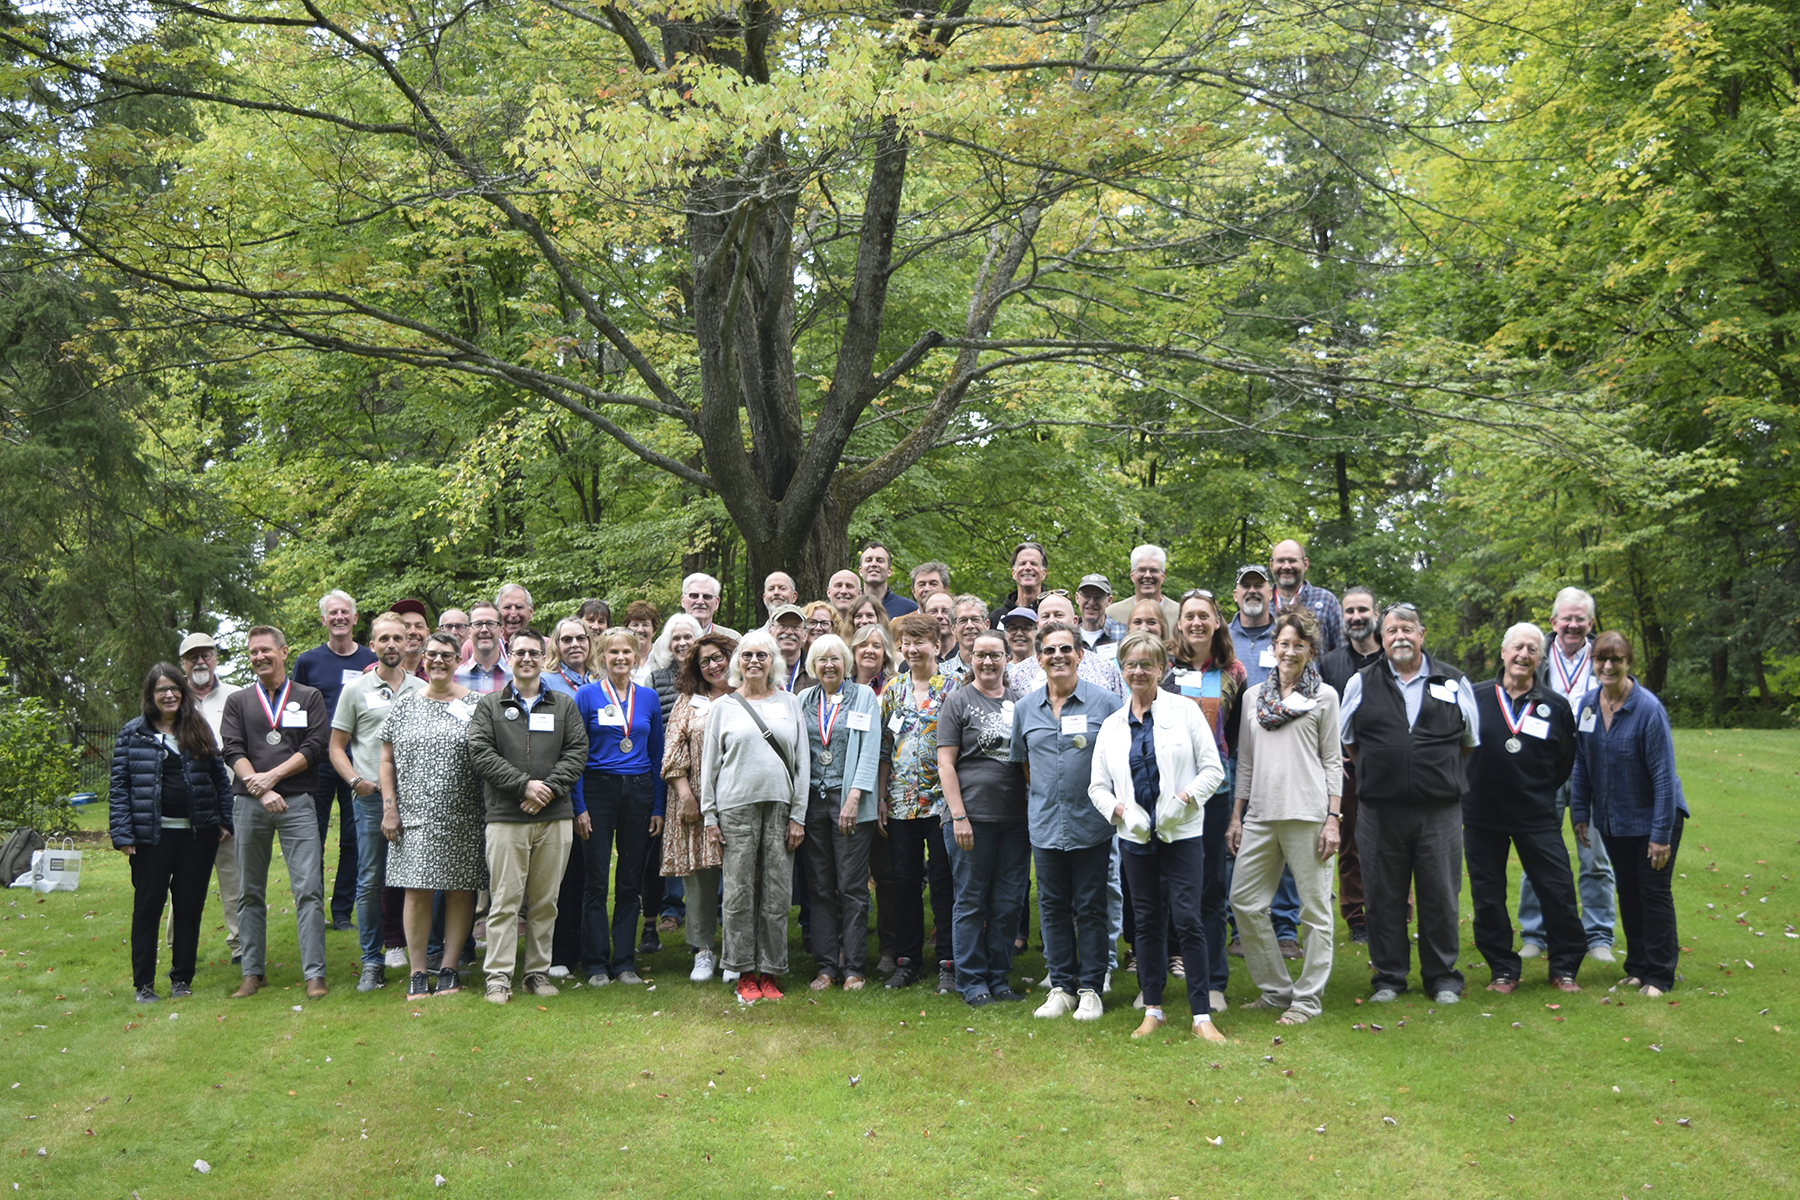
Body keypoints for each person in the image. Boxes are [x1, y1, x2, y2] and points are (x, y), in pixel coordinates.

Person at [1089, 631, 1227, 1042]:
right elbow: (1097, 787)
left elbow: (1213, 770)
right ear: (1122, 669)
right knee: (1147, 923)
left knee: (1188, 919)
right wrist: (1120, 811)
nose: (1138, 671)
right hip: (1135, 836)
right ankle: (1153, 1008)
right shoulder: (1113, 725)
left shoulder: (1185, 711)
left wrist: (1185, 797)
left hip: (1181, 832)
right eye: (1130, 664)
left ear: (1161, 669)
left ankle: (1201, 1014)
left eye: (1147, 664)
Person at [1340, 603, 1480, 1004]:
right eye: (1390, 631)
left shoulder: (1453, 681)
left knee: (1440, 894)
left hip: (1438, 811)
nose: (1398, 637)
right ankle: (1389, 978)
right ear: (1381, 639)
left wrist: (1428, 770)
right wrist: (1383, 765)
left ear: (1422, 634)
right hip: (1379, 810)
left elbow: (1469, 741)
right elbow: (1348, 740)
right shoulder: (1361, 682)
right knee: (1383, 896)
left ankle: (1442, 979)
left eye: (1407, 629)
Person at [1227, 611, 1343, 1025]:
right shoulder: (1253, 696)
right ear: (1272, 647)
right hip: (1260, 814)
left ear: (1311, 650)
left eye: (1299, 645)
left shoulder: (1324, 696)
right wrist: (1236, 817)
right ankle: (1276, 990)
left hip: (1309, 814)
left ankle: (1308, 999)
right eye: (1283, 643)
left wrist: (1333, 818)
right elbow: (1245, 762)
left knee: (1314, 911)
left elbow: (1333, 760)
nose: (1289, 651)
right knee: (1244, 900)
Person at [467, 628, 589, 1004]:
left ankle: (536, 973)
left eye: (533, 653)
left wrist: (547, 789)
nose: (526, 659)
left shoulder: (564, 705)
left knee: (544, 902)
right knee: (504, 901)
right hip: (506, 817)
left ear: (543, 657)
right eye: (519, 652)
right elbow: (480, 752)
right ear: (511, 658)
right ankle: (499, 977)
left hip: (554, 818)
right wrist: (523, 786)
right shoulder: (490, 705)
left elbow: (578, 751)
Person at [1463, 623, 1584, 995]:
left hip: (1536, 814)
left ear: (1539, 659)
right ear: (1503, 652)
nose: (1524, 655)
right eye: (1518, 647)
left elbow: (1564, 760)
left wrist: (1536, 787)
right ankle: (1502, 967)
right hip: (1483, 815)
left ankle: (1564, 968)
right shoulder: (1476, 696)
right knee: (1488, 896)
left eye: (1533, 650)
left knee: (1558, 890)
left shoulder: (1555, 706)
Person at [1012, 621, 1122, 1021]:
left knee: (1091, 907)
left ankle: (1091, 988)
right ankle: (1061, 987)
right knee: (1053, 906)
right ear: (1039, 658)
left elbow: (1118, 759)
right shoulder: (1025, 709)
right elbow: (1023, 765)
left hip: (1091, 824)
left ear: (1079, 654)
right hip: (1044, 824)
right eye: (1049, 650)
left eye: (1065, 649)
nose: (1057, 656)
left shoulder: (1107, 703)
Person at [1571, 631, 1687, 998]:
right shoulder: (1588, 705)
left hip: (1656, 819)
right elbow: (1582, 763)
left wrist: (1660, 836)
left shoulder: (1648, 709)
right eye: (1601, 659)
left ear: (1627, 663)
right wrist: (1579, 811)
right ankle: (1637, 967)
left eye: (1616, 659)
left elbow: (1664, 779)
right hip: (1615, 819)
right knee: (1630, 893)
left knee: (1653, 892)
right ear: (1592, 663)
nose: (1608, 666)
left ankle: (1660, 974)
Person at [219, 624, 331, 1000]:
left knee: (309, 890)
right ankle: (252, 972)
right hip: (250, 806)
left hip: (298, 802)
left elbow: (317, 744)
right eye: (253, 652)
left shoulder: (308, 696)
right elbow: (232, 750)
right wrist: (259, 788)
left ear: (284, 652)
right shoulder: (238, 701)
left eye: (266, 650)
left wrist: (274, 778)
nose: (260, 657)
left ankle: (314, 974)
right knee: (249, 891)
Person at [111, 666, 234, 1003]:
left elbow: (219, 779)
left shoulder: (197, 728)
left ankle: (181, 979)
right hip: (151, 839)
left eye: (174, 689)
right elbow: (120, 787)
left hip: (197, 837)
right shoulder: (133, 734)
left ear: (182, 692)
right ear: (150, 696)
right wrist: (123, 834)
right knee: (148, 908)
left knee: (189, 908)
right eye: (161, 690)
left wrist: (223, 819)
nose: (169, 695)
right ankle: (144, 985)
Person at [701, 629, 810, 1002]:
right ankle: (743, 970)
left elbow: (802, 765)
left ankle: (772, 972)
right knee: (738, 891)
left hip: (780, 807)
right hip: (735, 807)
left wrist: (799, 815)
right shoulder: (724, 707)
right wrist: (709, 816)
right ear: (737, 663)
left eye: (762, 655)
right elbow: (709, 766)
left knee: (777, 891)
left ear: (773, 662)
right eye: (746, 655)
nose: (753, 662)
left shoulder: (790, 703)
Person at [378, 631, 489, 999]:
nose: (439, 661)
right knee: (417, 891)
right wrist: (390, 810)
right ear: (423, 659)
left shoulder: (478, 704)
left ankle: (450, 968)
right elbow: (386, 760)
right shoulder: (405, 704)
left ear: (459, 660)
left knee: (460, 892)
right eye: (432, 654)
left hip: (465, 813)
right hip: (414, 816)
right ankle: (417, 971)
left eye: (447, 655)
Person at [1519, 586, 1618, 965]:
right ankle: (1534, 934)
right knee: (1537, 853)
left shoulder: (1606, 657)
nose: (1573, 625)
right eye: (1567, 618)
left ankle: (1598, 937)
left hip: (1592, 768)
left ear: (1590, 623)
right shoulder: (1534, 655)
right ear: (1554, 621)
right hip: (1544, 766)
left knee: (1594, 857)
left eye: (1580, 619)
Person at [328, 613, 427, 991]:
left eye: (397, 639)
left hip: (418, 799)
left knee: (422, 876)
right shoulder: (355, 690)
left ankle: (427, 952)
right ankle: (373, 960)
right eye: (383, 638)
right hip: (371, 800)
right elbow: (336, 746)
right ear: (373, 645)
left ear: (408, 644)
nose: (391, 645)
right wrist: (355, 780)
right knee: (370, 879)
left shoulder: (422, 688)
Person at [1161, 589, 1245, 1012]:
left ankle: (1213, 982)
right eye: (1188, 616)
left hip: (1215, 793)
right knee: (1160, 886)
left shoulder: (1234, 673)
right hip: (1169, 792)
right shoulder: (1165, 673)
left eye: (1203, 616)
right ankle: (1153, 982)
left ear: (1216, 622)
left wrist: (1236, 815)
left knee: (1211, 887)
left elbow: (1237, 742)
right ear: (1179, 624)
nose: (1195, 623)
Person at [936, 630, 1029, 1006]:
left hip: (1016, 819)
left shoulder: (1021, 703)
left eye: (995, 655)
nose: (987, 662)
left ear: (1007, 658)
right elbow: (945, 763)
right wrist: (958, 816)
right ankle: (972, 981)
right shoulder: (957, 701)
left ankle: (999, 977)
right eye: (980, 655)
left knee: (1008, 902)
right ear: (970, 658)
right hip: (970, 817)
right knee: (971, 901)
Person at [573, 628, 667, 988]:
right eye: (613, 652)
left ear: (637, 655)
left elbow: (657, 755)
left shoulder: (648, 699)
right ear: (602, 656)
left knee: (630, 881)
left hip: (640, 790)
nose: (620, 658)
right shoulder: (587, 695)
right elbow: (577, 755)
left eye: (627, 651)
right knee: (596, 880)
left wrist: (658, 805)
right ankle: (596, 963)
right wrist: (579, 805)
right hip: (598, 789)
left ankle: (624, 961)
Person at [878, 611, 959, 993]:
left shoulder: (955, 687)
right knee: (905, 881)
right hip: (900, 801)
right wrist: (880, 795)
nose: (911, 648)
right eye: (905, 642)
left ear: (937, 646)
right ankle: (907, 959)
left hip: (942, 802)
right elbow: (884, 746)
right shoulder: (893, 689)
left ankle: (948, 958)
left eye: (919, 641)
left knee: (944, 881)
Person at [798, 634, 883, 990]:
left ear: (845, 662)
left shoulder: (862, 696)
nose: (829, 665)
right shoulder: (803, 699)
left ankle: (855, 967)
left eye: (835, 658)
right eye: (822, 660)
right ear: (812, 666)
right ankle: (827, 966)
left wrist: (853, 798)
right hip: (813, 802)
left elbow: (869, 749)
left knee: (851, 886)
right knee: (819, 886)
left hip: (850, 802)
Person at [291, 589, 375, 932]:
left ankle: (342, 911)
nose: (339, 618)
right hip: (318, 763)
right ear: (324, 620)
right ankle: (312, 909)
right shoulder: (308, 661)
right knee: (313, 836)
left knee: (354, 839)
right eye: (332, 613)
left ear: (355, 619)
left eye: (345, 613)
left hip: (361, 762)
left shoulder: (371, 659)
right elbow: (293, 710)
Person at [660, 631, 738, 982]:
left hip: (740, 801)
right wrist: (687, 797)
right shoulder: (688, 701)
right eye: (704, 661)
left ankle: (738, 952)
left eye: (719, 656)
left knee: (740, 878)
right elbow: (673, 752)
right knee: (701, 879)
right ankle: (704, 950)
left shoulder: (749, 695)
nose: (713, 665)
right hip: (695, 803)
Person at [1317, 585, 1383, 944]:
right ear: (1342, 618)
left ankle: (1395, 912)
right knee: (1350, 845)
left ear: (1375, 614)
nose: (1356, 617)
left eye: (1363, 610)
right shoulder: (1332, 663)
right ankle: (1357, 919)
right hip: (1346, 771)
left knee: (1392, 843)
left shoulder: (1392, 657)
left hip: (1388, 767)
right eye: (1350, 611)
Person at [177, 632, 243, 964]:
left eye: (206, 655)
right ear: (183, 664)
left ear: (215, 658)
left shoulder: (236, 696)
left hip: (232, 803)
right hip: (186, 809)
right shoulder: (173, 701)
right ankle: (179, 949)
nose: (200, 661)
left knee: (234, 879)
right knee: (184, 884)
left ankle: (241, 946)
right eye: (193, 657)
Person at [640, 613, 699, 952]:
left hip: (702, 775)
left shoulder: (710, 676)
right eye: (675, 638)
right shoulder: (656, 678)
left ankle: (704, 913)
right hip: (666, 773)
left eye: (688, 637)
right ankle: (668, 909)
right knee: (664, 845)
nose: (681, 643)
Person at [1009, 593, 1124, 697]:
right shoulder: (1017, 675)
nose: (1052, 621)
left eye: (1058, 615)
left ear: (1075, 622)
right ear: (1038, 625)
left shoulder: (1105, 669)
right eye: (1045, 616)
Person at [1268, 539, 1344, 654]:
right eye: (1280, 561)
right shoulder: (1263, 603)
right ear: (1271, 565)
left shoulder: (1326, 601)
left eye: (1292, 561)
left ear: (1305, 564)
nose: (1286, 566)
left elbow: (1341, 651)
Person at [1106, 545, 1179, 631]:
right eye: (1141, 570)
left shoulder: (1180, 614)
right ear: (1132, 576)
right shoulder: (1112, 614)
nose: (1147, 575)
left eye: (1153, 570)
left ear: (1163, 576)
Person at [1227, 566, 1277, 687]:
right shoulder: (1220, 637)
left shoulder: (1285, 636)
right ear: (1235, 595)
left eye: (1259, 585)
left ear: (1270, 594)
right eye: (1245, 586)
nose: (1252, 591)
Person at [455, 603, 512, 694]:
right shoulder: (455, 677)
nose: (484, 629)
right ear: (469, 632)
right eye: (478, 624)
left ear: (501, 631)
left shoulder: (515, 677)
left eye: (491, 624)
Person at [990, 541, 1048, 627]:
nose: (1028, 567)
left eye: (1034, 563)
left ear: (1043, 573)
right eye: (1022, 563)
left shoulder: (1052, 615)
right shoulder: (997, 617)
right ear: (1013, 573)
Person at [859, 540, 919, 617]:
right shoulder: (850, 606)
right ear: (860, 571)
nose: (873, 564)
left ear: (889, 571)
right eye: (869, 560)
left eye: (880, 560)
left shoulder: (909, 609)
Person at [542, 617, 595, 698]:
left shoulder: (601, 680)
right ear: (557, 645)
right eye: (567, 640)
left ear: (589, 642)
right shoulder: (544, 682)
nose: (575, 644)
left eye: (581, 638)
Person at [939, 595, 990, 678]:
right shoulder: (941, 673)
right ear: (953, 629)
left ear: (987, 625)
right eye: (962, 620)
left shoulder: (1004, 670)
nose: (969, 626)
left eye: (975, 619)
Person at [769, 605, 814, 692]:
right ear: (770, 631)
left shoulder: (814, 669)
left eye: (795, 627)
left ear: (805, 635)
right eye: (782, 626)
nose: (789, 632)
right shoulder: (762, 668)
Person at [1076, 574, 1127, 651]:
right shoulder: (1066, 635)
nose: (1091, 602)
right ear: (1077, 598)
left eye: (1098, 597)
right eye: (1086, 596)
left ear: (1109, 601)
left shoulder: (1124, 633)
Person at [391, 599, 434, 679]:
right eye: (406, 627)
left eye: (419, 626)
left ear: (428, 633)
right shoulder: (375, 673)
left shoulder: (438, 673)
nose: (413, 632)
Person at [851, 623, 895, 695]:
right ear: (853, 651)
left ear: (885, 655)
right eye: (863, 645)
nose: (869, 650)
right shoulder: (842, 684)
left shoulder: (895, 685)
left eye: (876, 646)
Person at [923, 590, 957, 666]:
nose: (939, 616)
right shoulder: (915, 660)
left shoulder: (968, 657)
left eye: (946, 611)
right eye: (933, 611)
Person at [622, 601, 659, 670]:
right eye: (635, 625)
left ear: (654, 630)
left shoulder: (663, 658)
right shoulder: (620, 658)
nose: (640, 630)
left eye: (645, 625)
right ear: (626, 629)